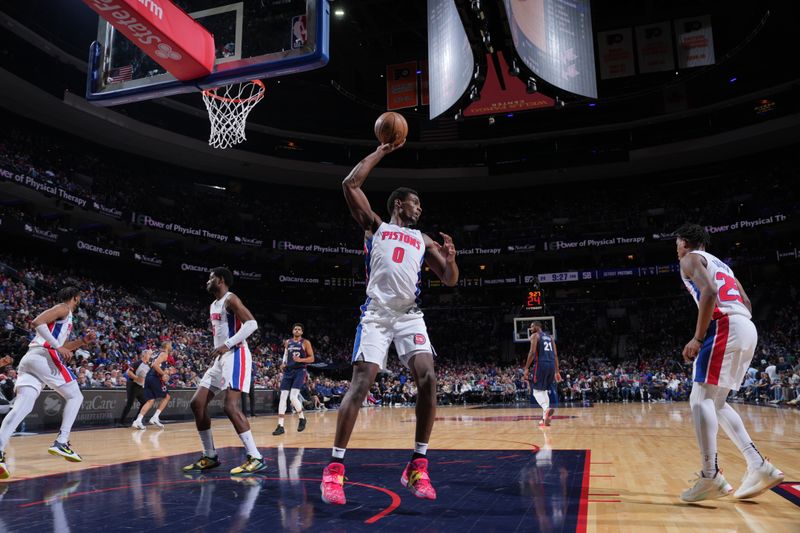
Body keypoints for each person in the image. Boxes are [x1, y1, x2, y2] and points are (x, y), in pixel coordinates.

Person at [320, 141, 459, 505]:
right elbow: (350, 185)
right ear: (400, 203)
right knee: (362, 382)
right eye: (416, 202)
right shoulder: (375, 226)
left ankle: (417, 464)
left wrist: (451, 258)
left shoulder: (423, 238)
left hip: (409, 314)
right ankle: (334, 469)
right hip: (377, 314)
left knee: (428, 376)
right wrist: (382, 150)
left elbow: (449, 279)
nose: (420, 208)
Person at [675, 223, 784, 502]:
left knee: (699, 398)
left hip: (724, 326)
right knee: (718, 403)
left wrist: (698, 338)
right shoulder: (724, 265)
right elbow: (746, 302)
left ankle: (710, 475)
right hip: (746, 326)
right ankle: (758, 464)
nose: (676, 249)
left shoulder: (689, 259)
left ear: (685, 242)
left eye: (677, 244)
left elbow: (709, 293)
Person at [0, 286, 96, 479]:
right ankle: (61, 441)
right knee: (75, 395)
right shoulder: (63, 308)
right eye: (79, 299)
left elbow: (61, 345)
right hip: (43, 357)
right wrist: (57, 346)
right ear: (76, 298)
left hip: (31, 360)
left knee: (21, 408)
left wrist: (83, 341)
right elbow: (37, 322)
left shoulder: (64, 319)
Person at [182, 267, 265, 475]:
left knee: (230, 406)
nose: (207, 282)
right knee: (197, 403)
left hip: (236, 354)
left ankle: (255, 457)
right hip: (220, 360)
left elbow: (252, 324)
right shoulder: (213, 305)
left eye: (210, 278)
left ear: (220, 280)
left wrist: (227, 345)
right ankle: (209, 455)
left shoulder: (231, 299)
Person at [273, 323, 314, 436]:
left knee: (293, 397)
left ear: (302, 332)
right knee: (283, 397)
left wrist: (300, 360)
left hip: (300, 371)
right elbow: (286, 354)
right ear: (292, 331)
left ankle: (302, 418)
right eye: (295, 329)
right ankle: (280, 426)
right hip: (288, 371)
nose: (296, 330)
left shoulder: (305, 342)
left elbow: (312, 358)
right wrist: (283, 363)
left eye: (299, 329)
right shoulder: (288, 342)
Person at [522, 322, 561, 427]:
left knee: (536, 391)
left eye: (531, 326)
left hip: (541, 365)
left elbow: (532, 352)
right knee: (544, 391)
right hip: (551, 365)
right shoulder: (550, 337)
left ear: (536, 327)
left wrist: (526, 368)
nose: (530, 329)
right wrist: (557, 371)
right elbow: (556, 355)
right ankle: (544, 419)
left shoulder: (535, 335)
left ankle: (546, 409)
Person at [131, 343, 173, 429]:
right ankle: (155, 417)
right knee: (167, 397)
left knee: (150, 400)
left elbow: (152, 364)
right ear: (166, 346)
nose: (171, 346)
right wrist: (164, 374)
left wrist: (166, 372)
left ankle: (138, 420)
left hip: (148, 377)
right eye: (170, 344)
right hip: (154, 378)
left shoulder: (156, 353)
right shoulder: (164, 353)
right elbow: (155, 365)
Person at [118, 350, 149, 426]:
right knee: (129, 403)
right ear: (144, 355)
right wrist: (137, 378)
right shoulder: (137, 363)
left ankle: (136, 420)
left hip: (140, 386)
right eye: (149, 354)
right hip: (132, 384)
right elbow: (129, 372)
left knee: (144, 402)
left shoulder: (148, 365)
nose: (150, 356)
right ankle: (121, 422)